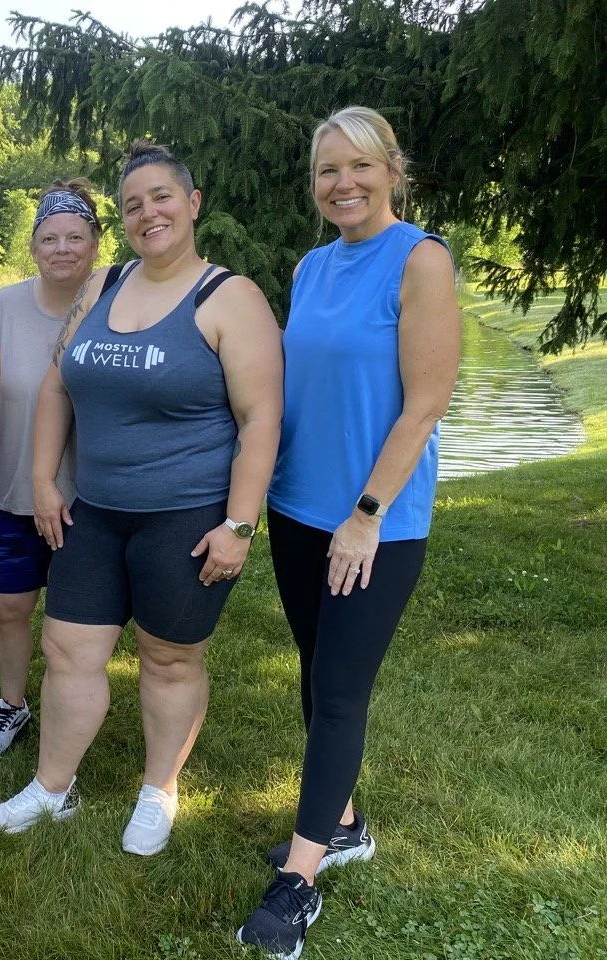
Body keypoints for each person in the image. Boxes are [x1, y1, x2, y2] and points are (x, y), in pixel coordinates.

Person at [0, 141, 284, 858]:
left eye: (162, 197)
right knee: (68, 648)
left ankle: (159, 790)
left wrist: (240, 523)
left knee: (169, 657)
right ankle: (52, 786)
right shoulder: (104, 284)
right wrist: (48, 480)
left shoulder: (228, 297)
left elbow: (262, 420)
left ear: (192, 203)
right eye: (135, 203)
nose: (150, 212)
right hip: (99, 510)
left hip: (184, 516)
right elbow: (58, 384)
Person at [235, 107, 459, 960]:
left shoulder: (421, 261)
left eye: (360, 166)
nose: (344, 184)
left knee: (337, 690)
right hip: (297, 510)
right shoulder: (312, 267)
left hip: (375, 522)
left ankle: (298, 881)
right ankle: (346, 824)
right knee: (315, 673)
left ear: (392, 169)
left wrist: (365, 516)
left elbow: (426, 401)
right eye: (329, 170)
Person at [0, 179, 102, 757]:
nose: (62, 248)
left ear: (96, 243)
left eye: (76, 236)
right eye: (50, 237)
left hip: (89, 498)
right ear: (32, 247)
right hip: (13, 491)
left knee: (71, 628)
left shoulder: (115, 305)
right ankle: (12, 704)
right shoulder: (1, 306)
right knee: (9, 606)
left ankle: (68, 712)